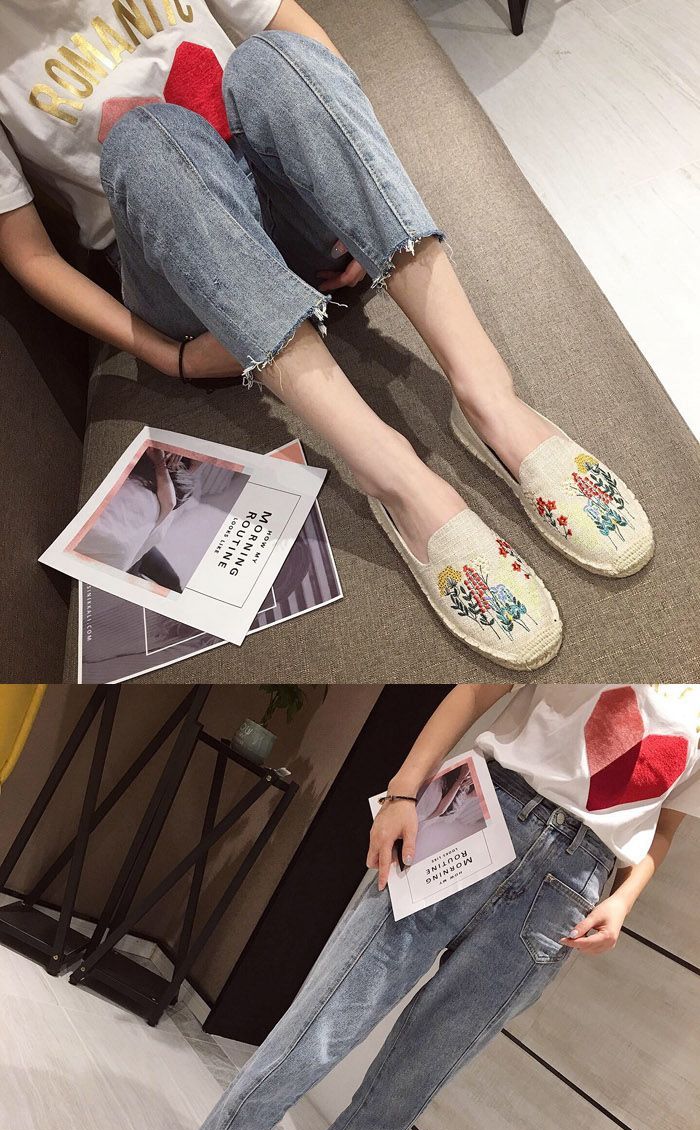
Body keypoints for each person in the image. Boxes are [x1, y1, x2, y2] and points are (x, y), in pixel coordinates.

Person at [0, 6, 654, 666]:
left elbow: (296, 33)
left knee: (272, 60)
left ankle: (488, 393)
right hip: (183, 266)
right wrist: (171, 358)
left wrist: (347, 195)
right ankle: (393, 475)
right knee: (147, 140)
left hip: (281, 198)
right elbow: (29, 255)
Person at [93, 679, 700, 1130]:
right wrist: (405, 791)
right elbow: (477, 689)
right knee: (312, 1035)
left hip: (568, 890)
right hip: (486, 812)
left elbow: (666, 818)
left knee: (403, 1091)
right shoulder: (618, 624)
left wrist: (624, 899)